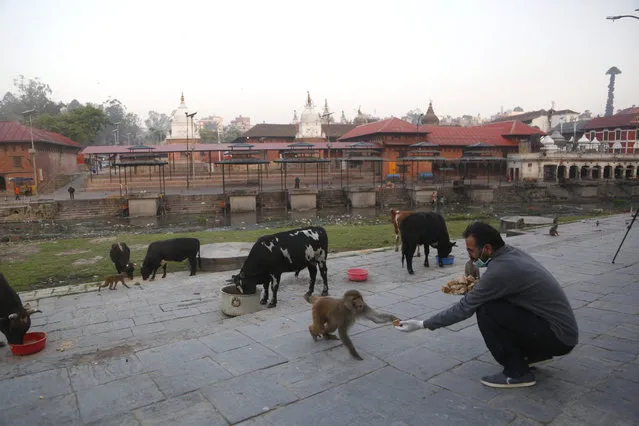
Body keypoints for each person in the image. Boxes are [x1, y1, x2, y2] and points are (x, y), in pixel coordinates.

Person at [396, 221, 578, 388]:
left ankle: (517, 372)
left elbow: (464, 308)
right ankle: (530, 356)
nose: (470, 256)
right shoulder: (511, 253)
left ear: (488, 248)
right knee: (494, 303)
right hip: (560, 331)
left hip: (559, 337)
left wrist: (423, 324)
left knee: (486, 309)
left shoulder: (501, 269)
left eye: (471, 251)